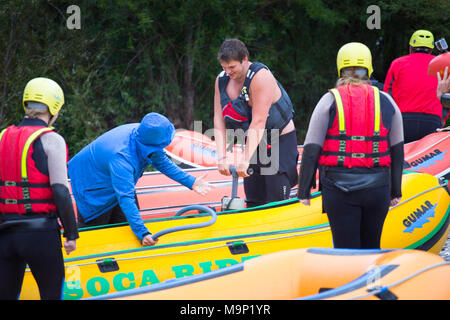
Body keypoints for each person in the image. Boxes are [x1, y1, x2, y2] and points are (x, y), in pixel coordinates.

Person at [297, 43, 404, 249]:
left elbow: (311, 149)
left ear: (340, 68)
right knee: (372, 247)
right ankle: (372, 280)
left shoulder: (328, 100)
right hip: (378, 189)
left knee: (345, 250)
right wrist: (395, 191)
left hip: (339, 189)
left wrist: (304, 191)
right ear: (369, 69)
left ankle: (348, 280)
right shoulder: (387, 101)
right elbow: (397, 150)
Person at [68, 112, 212, 246]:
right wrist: (142, 232)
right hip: (92, 186)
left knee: (124, 227)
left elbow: (161, 161)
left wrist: (191, 181)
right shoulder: (122, 158)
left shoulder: (144, 134)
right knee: (96, 237)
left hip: (112, 177)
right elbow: (125, 197)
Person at [0, 77, 79, 300]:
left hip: (6, 234)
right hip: (40, 234)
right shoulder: (52, 140)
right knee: (51, 295)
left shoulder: (2, 137)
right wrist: (71, 234)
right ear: (54, 108)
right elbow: (61, 190)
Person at [213, 38, 299, 208]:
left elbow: (259, 121)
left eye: (232, 67)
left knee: (276, 199)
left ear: (244, 59)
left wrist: (245, 160)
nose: (228, 72)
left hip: (278, 142)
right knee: (253, 198)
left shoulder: (261, 77)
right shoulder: (221, 80)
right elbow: (219, 119)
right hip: (255, 143)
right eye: (224, 67)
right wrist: (222, 156)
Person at [384, 29, 442, 143]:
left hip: (403, 121)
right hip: (432, 122)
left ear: (411, 48)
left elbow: (387, 96)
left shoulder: (398, 63)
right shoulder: (440, 65)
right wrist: (440, 120)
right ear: (431, 49)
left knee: (401, 158)